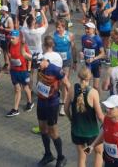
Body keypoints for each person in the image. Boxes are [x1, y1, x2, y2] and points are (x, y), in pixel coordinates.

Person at [35, 38, 67, 167]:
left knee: (53, 131)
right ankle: (48, 155)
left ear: (44, 60)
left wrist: (68, 103)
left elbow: (67, 84)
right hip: (41, 101)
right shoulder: (40, 67)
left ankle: (61, 157)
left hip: (52, 103)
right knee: (43, 129)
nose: (38, 67)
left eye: (39, 64)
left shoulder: (55, 69)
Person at [63, 66, 104, 167]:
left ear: (78, 76)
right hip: (92, 132)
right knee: (99, 152)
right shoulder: (93, 92)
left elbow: (65, 108)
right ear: (90, 78)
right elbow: (99, 116)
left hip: (76, 131)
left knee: (81, 156)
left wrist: (71, 119)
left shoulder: (72, 88)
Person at [6, 29, 34, 117]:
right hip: (14, 71)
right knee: (17, 89)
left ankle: (29, 102)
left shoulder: (23, 46)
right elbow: (8, 54)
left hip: (23, 71)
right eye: (10, 38)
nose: (11, 39)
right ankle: (15, 109)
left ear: (18, 38)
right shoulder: (9, 44)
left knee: (25, 87)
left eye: (13, 38)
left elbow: (29, 58)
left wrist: (29, 70)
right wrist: (9, 64)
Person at [81, 22, 105, 92]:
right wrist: (81, 53)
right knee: (85, 85)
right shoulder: (83, 37)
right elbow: (83, 48)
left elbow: (103, 54)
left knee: (95, 87)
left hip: (96, 64)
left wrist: (93, 58)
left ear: (93, 30)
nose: (86, 30)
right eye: (85, 28)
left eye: (88, 29)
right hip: (87, 65)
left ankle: (97, 101)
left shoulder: (98, 39)